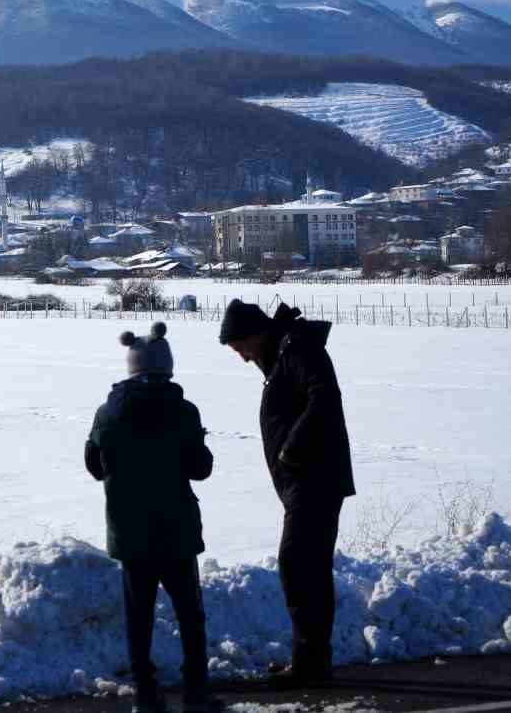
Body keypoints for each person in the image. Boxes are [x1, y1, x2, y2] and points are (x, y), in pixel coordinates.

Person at [218, 299, 355, 688]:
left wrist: (292, 450)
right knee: (308, 567)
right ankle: (312, 659)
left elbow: (324, 397)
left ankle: (310, 662)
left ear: (256, 334)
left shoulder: (297, 350)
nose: (243, 357)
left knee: (298, 564)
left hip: (314, 478)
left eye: (241, 347)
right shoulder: (284, 353)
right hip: (306, 479)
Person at [86, 322, 220, 713]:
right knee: (189, 613)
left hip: (129, 530)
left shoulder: (106, 414)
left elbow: (94, 466)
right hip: (176, 528)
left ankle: (145, 692)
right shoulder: (183, 411)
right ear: (167, 368)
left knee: (138, 614)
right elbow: (200, 468)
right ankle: (196, 691)